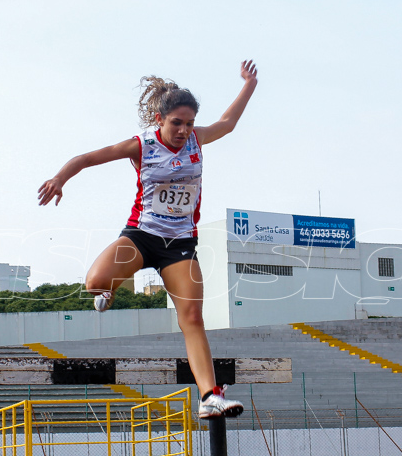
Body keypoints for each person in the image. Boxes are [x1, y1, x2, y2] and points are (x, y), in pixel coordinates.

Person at [38, 61, 258, 419]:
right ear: (159, 119)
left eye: (188, 123)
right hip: (142, 236)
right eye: (177, 123)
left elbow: (229, 123)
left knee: (192, 318)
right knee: (95, 283)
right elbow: (86, 158)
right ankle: (107, 292)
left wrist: (248, 84)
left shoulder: (198, 140)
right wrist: (60, 178)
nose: (184, 130)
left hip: (181, 244)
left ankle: (209, 396)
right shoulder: (140, 146)